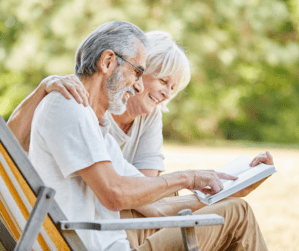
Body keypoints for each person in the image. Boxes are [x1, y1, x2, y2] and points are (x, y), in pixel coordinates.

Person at [7, 21, 272, 250]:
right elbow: (116, 195)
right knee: (237, 216)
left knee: (233, 210)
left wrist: (233, 190)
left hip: (110, 239)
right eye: (137, 72)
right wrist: (187, 177)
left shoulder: (95, 127)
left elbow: (157, 206)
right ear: (108, 61)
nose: (137, 84)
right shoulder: (68, 106)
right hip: (95, 244)